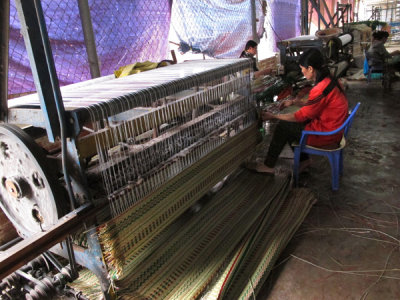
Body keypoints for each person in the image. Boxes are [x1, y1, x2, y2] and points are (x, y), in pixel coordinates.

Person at [254, 48, 349, 174]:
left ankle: (268, 165)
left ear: (310, 68)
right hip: (333, 126)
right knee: (290, 126)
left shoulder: (320, 89)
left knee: (285, 126)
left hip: (327, 135)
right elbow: (315, 104)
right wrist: (294, 102)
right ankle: (304, 161)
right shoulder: (331, 80)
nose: (302, 73)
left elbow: (300, 116)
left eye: (303, 70)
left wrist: (273, 116)